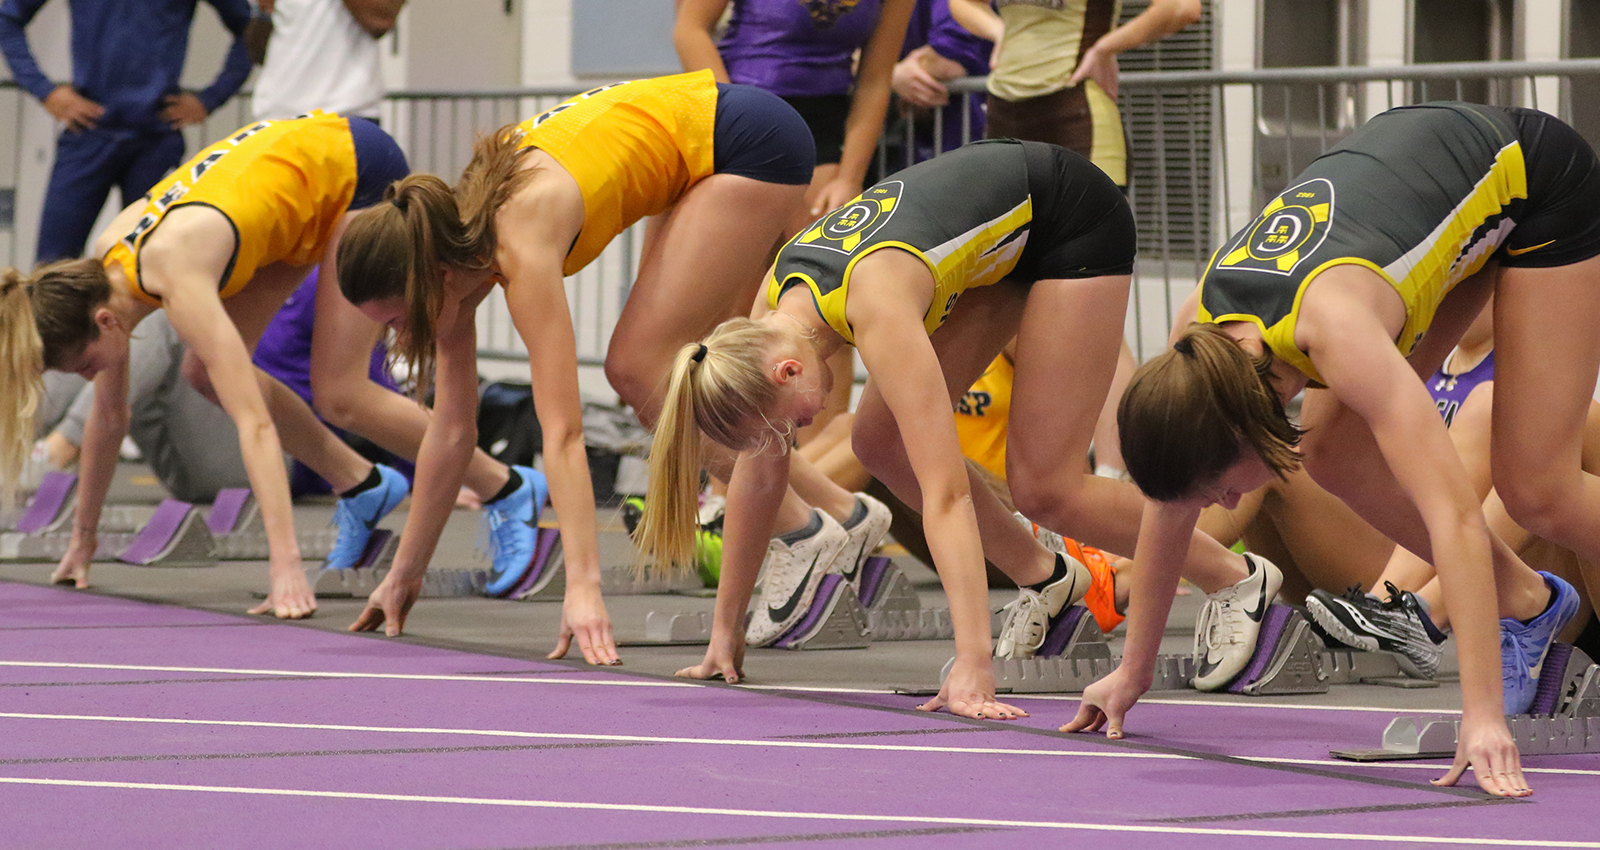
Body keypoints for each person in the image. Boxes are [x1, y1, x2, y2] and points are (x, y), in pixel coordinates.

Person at [1094, 102, 1600, 798]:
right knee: (1332, 455)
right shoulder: (1201, 340)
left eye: (1223, 487)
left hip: (1535, 182)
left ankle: (1525, 602)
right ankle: (1528, 601)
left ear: (1250, 426)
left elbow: (1452, 513)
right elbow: (1169, 506)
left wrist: (1480, 717)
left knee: (1537, 489)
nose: (1228, 503)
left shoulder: (1337, 332)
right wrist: (1134, 671)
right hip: (1423, 178)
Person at [635, 137, 1190, 719]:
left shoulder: (875, 308)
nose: (801, 426)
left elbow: (945, 494)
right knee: (877, 441)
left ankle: (1235, 578)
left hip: (1070, 214)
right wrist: (727, 630)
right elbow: (759, 477)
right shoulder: (761, 324)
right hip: (999, 232)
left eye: (789, 421)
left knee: (1047, 489)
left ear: (789, 370)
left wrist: (973, 664)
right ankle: (1051, 579)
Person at [333, 71, 820, 665]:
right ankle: (835, 517)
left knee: (638, 368)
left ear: (433, 281)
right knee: (660, 368)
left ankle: (806, 529)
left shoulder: (517, 244)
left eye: (399, 320)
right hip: (700, 147)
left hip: (746, 141)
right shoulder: (451, 258)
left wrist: (584, 587)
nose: (397, 337)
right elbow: (453, 430)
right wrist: (404, 574)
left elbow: (563, 433)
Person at [0, 113, 538, 622]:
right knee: (203, 374)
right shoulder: (107, 265)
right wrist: (81, 544)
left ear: (104, 323)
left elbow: (253, 423)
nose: (93, 379)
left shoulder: (176, 275)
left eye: (90, 365)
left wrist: (286, 569)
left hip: (355, 171)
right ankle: (361, 484)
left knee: (340, 392)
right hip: (286, 196)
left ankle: (507, 487)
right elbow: (109, 418)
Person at [675, 0, 916, 441]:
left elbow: (876, 78)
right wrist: (735, 124)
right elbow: (690, 30)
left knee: (825, 312)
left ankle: (816, 479)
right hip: (742, 114)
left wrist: (850, 176)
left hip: (823, 128)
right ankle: (725, 476)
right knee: (734, 315)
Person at [0, 0, 253, 264]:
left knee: (157, 265)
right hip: (88, 134)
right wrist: (45, 91)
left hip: (155, 141)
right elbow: (8, 19)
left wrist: (210, 99)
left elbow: (250, 26)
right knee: (53, 268)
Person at [950, 0, 1201, 189]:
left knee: (1084, 253)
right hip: (1003, 114)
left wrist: (1105, 47)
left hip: (1076, 113)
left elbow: (1182, 6)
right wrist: (1000, 31)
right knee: (1006, 255)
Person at [251, 0, 401, 123]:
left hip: (343, 113)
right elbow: (257, 51)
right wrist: (262, 12)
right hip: (275, 115)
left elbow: (380, 21)